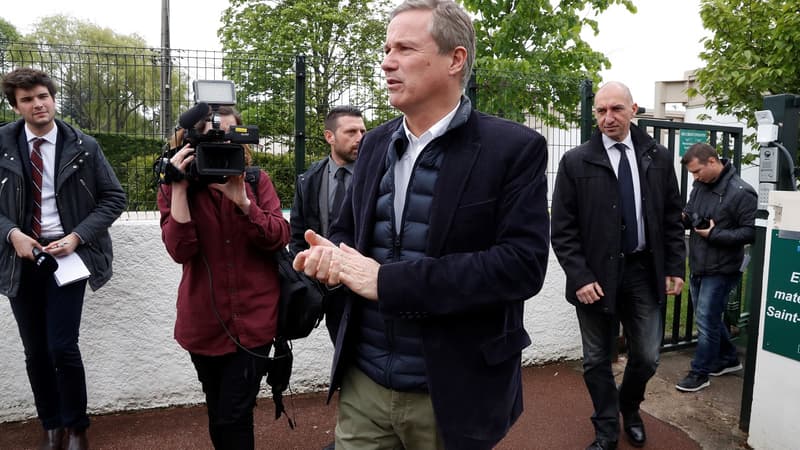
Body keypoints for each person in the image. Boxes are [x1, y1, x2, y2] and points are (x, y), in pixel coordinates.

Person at [293, 1, 550, 448]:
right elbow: (347, 231)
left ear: (455, 59)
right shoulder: (373, 144)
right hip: (364, 381)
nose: (387, 61)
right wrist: (331, 254)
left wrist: (389, 282)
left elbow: (522, 265)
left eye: (405, 49)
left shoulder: (514, 148)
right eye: (387, 48)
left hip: (453, 391)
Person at [551, 81, 685, 450]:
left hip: (643, 272)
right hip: (594, 278)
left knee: (647, 356)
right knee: (596, 361)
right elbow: (562, 229)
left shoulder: (657, 156)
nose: (608, 118)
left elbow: (672, 217)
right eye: (600, 111)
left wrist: (675, 265)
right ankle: (606, 428)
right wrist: (579, 276)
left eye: (616, 110)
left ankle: (630, 405)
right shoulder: (576, 161)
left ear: (634, 109)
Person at [0, 67, 126, 450]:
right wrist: (12, 234)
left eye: (43, 96)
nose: (38, 104)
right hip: (20, 258)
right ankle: (51, 424)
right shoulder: (2, 142)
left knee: (62, 346)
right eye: (27, 99)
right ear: (16, 106)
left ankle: (76, 427)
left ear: (53, 98)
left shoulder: (84, 146)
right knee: (35, 350)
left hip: (68, 257)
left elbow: (114, 199)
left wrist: (77, 236)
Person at [157, 105, 290, 448]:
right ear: (189, 143)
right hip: (203, 323)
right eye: (211, 138)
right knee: (218, 410)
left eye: (230, 136)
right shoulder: (173, 187)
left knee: (234, 413)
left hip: (254, 322)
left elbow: (278, 236)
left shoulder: (257, 182)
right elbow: (179, 251)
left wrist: (245, 203)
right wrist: (181, 188)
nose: (221, 144)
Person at [675, 143, 756, 393]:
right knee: (708, 317)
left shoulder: (742, 192)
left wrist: (715, 234)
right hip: (699, 262)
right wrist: (682, 218)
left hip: (723, 268)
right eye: (692, 174)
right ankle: (729, 358)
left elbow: (751, 232)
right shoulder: (701, 185)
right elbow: (690, 212)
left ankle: (701, 372)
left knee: (707, 320)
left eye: (697, 171)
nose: (694, 177)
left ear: (712, 161)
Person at [289, 105, 366, 255]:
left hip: (362, 271)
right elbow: (298, 236)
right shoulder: (308, 180)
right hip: (318, 273)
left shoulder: (378, 176)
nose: (360, 138)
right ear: (329, 137)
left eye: (362, 131)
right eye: (351, 132)